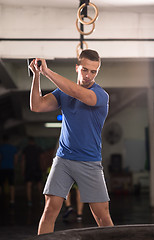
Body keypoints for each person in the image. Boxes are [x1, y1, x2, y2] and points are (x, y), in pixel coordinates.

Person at [29, 49, 114, 235]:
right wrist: (36, 76)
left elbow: (78, 93)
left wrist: (47, 72)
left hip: (89, 161)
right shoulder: (63, 93)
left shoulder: (101, 96)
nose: (88, 75)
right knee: (50, 209)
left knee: (102, 216)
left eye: (93, 71)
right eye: (85, 70)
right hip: (63, 160)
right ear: (77, 68)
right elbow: (36, 105)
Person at [21, 137, 43, 206]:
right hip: (37, 167)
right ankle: (41, 200)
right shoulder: (38, 148)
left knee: (28, 185)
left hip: (28, 168)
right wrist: (42, 168)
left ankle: (29, 201)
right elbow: (41, 159)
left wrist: (23, 170)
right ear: (34, 141)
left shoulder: (26, 149)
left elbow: (23, 160)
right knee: (39, 184)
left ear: (29, 141)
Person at [0, 135, 18, 205]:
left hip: (2, 168)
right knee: (12, 184)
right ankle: (12, 200)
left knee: (1, 184)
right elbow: (15, 158)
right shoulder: (13, 148)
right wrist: (14, 165)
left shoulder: (1, 148)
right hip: (10, 167)